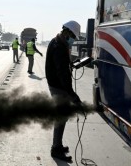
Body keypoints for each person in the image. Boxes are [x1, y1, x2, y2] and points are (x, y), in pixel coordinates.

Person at [45, 20, 81, 162]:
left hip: (56, 85)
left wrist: (71, 64)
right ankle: (56, 148)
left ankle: (57, 145)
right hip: (58, 86)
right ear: (67, 32)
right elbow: (62, 73)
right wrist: (72, 94)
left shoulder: (57, 42)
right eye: (73, 36)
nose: (73, 40)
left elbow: (61, 65)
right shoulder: (59, 46)